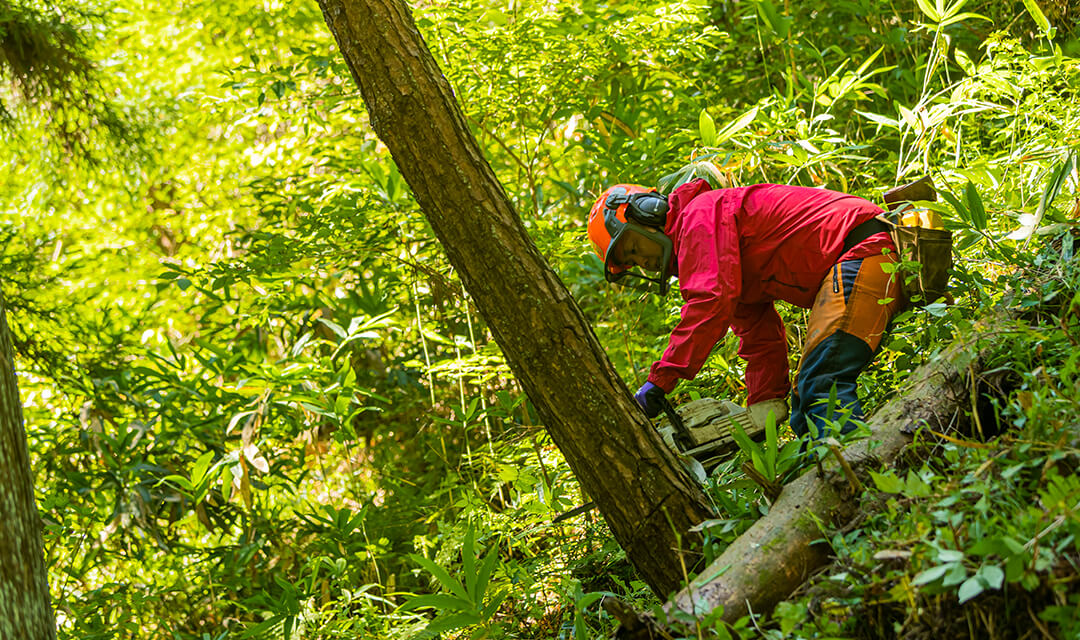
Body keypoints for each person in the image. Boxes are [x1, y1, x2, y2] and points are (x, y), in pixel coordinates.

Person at [586, 179, 905, 441]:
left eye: (633, 248)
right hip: (856, 260)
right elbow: (759, 338)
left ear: (648, 212)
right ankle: (834, 484)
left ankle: (866, 484)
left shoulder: (699, 218)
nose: (643, 261)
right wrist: (761, 409)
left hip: (863, 248)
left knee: (821, 386)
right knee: (805, 404)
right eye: (631, 262)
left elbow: (710, 303)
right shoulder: (715, 254)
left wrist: (658, 382)